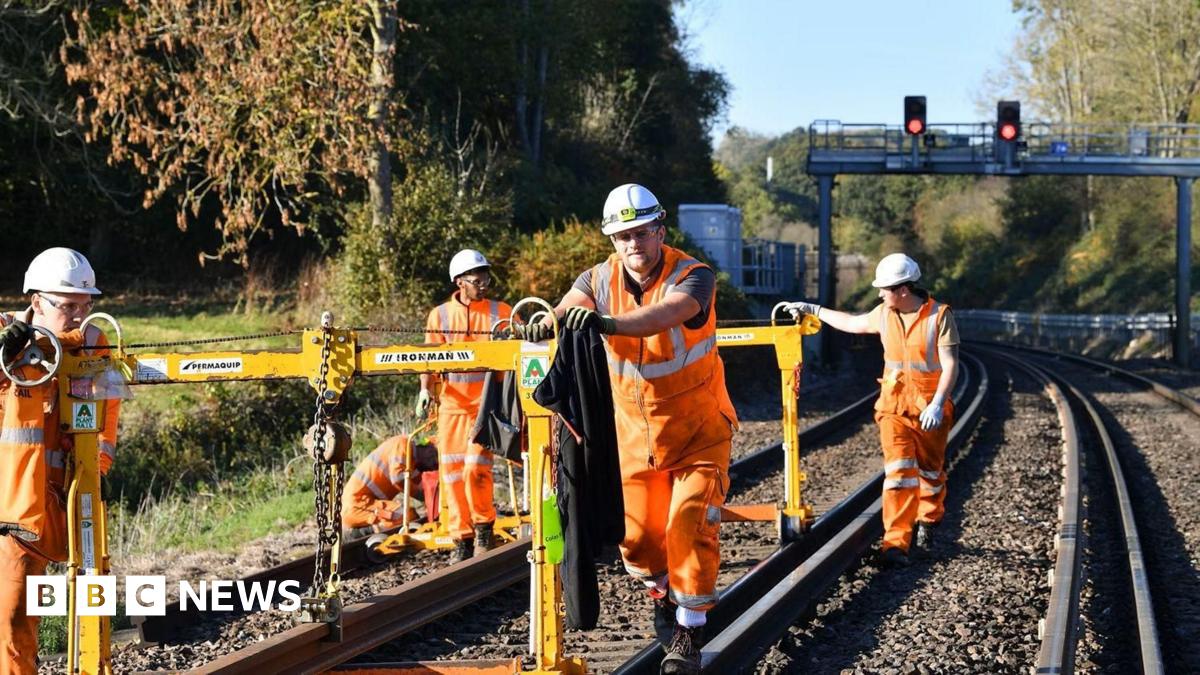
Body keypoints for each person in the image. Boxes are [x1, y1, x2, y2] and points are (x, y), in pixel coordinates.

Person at [516, 183, 737, 675]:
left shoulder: (694, 276)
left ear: (660, 230)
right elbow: (569, 306)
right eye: (622, 237)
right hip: (633, 440)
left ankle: (688, 630)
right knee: (635, 540)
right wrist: (544, 323)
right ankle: (663, 595)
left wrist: (610, 323)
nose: (633, 244)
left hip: (699, 433)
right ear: (612, 241)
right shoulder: (596, 279)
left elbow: (668, 313)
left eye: (641, 233)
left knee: (689, 526)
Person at [785, 252, 959, 567]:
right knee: (898, 474)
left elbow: (950, 365)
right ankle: (896, 543)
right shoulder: (884, 314)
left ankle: (929, 520)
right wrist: (814, 310)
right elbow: (852, 323)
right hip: (893, 407)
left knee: (931, 473)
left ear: (903, 290)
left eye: (885, 289)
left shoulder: (939, 316)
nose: (879, 294)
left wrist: (937, 402)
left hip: (930, 408)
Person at [1, 247, 119, 675]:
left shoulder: (93, 342)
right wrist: (8, 349)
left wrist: (97, 473)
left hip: (71, 501)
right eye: (68, 306)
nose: (78, 315)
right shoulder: (6, 339)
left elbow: (107, 418)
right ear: (37, 302)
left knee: (91, 600)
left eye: (86, 306)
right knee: (12, 622)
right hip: (15, 508)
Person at [419, 249, 511, 563]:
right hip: (451, 407)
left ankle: (484, 527)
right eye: (476, 279)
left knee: (475, 470)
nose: (483, 283)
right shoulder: (440, 315)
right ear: (460, 282)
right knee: (452, 474)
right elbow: (429, 357)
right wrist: (424, 389)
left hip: (487, 407)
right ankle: (462, 539)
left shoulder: (502, 311)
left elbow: (524, 349)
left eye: (485, 276)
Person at [342, 434, 438, 538]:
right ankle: (358, 533)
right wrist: (423, 498)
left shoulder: (412, 463)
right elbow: (398, 478)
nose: (433, 466)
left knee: (412, 515)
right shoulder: (403, 444)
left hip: (365, 502)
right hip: (357, 504)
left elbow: (424, 488)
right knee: (408, 516)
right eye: (435, 461)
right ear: (429, 450)